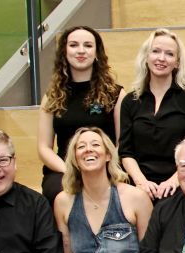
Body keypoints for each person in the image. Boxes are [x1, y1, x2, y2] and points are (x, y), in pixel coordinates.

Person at [37, 25, 122, 206]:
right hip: (63, 170)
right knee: (60, 194)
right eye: (74, 45)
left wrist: (101, 168)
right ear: (64, 52)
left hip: (105, 167)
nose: (81, 51)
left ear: (97, 52)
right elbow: (44, 148)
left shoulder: (116, 94)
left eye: (88, 45)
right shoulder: (51, 96)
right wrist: (69, 170)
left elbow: (122, 142)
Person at [119, 28, 185, 200]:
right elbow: (125, 152)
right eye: (156, 51)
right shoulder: (130, 101)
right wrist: (141, 182)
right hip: (139, 183)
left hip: (180, 181)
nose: (161, 58)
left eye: (169, 54)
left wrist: (174, 180)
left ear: (177, 62)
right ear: (146, 57)